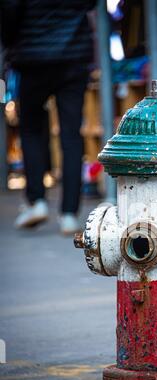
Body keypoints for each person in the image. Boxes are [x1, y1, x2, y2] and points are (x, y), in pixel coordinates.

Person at [1, 0, 96, 234]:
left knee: (31, 129)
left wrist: (11, 42)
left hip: (33, 57)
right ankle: (69, 214)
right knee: (71, 135)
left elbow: (10, 9)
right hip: (74, 54)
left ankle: (37, 201)